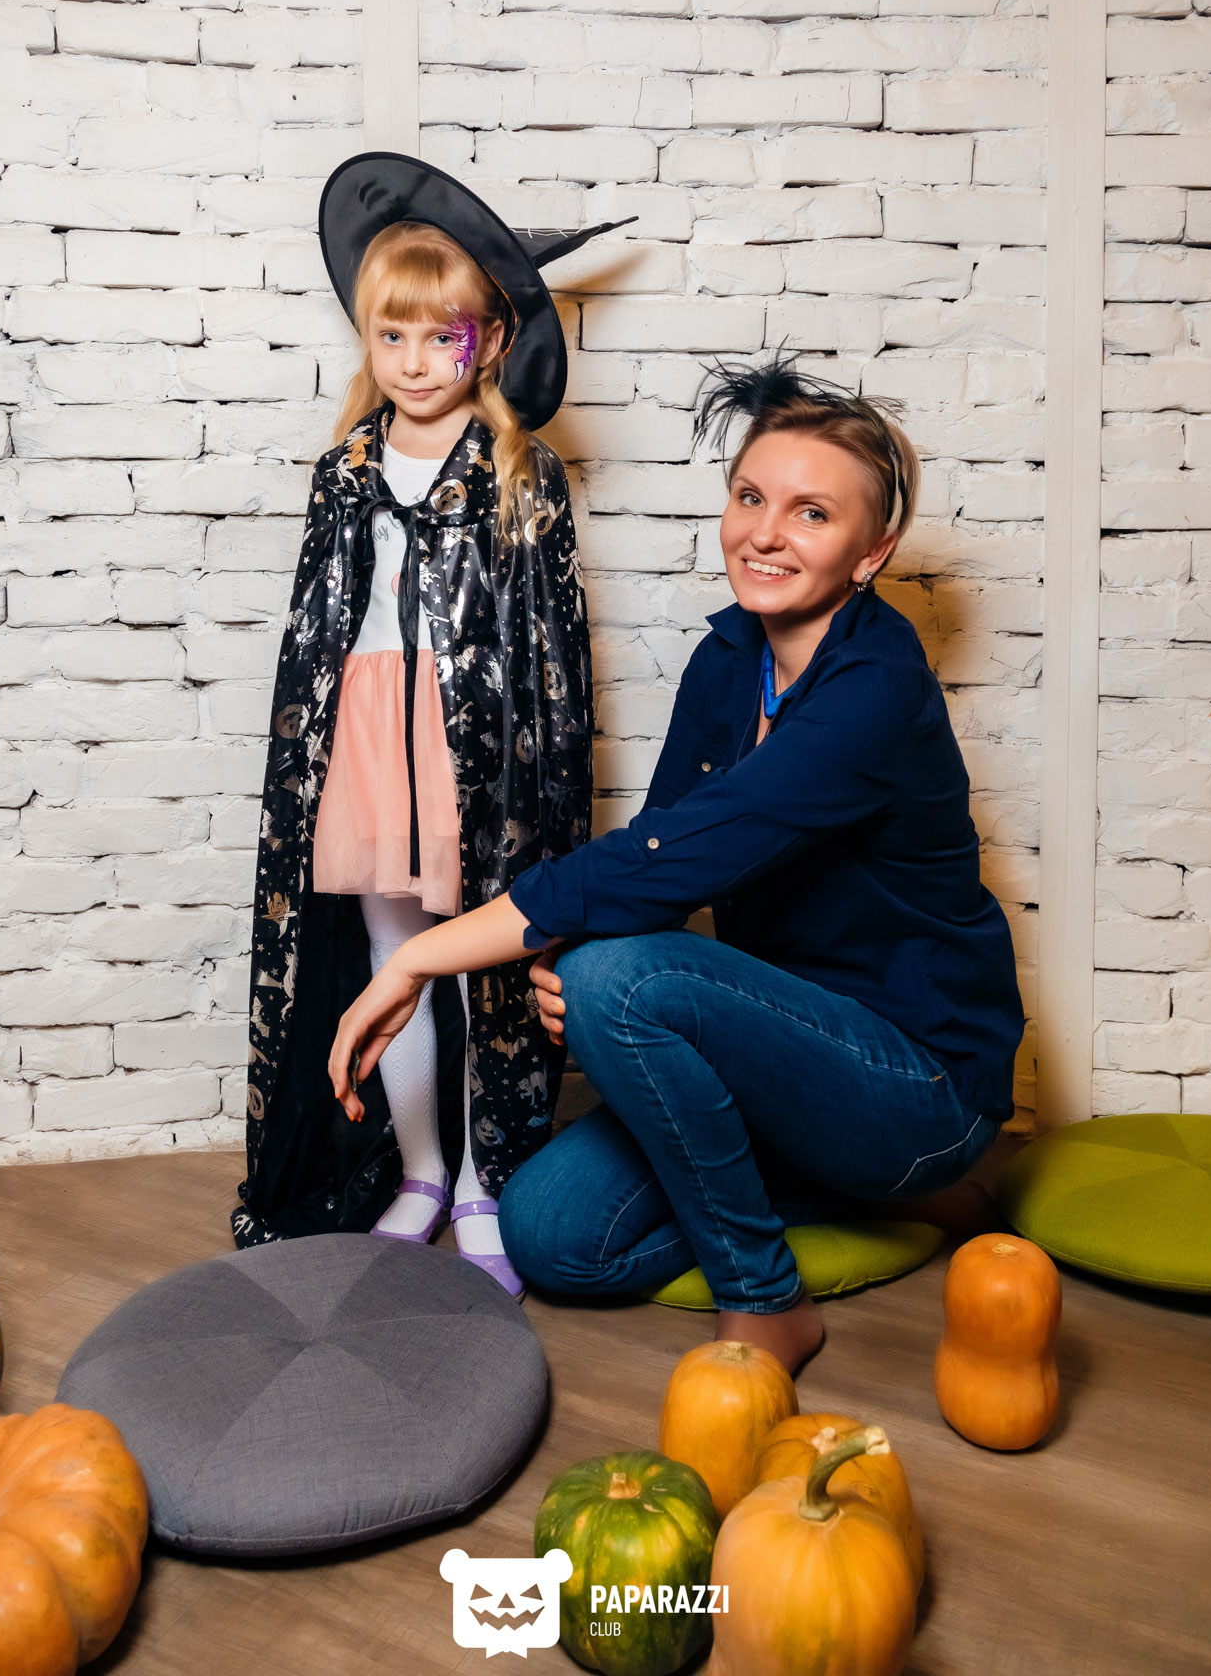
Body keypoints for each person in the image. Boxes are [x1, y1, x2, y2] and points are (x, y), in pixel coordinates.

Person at [326, 350, 1025, 1367]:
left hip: (916, 1083)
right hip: (775, 1060)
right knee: (550, 1235)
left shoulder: (875, 691)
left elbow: (661, 861)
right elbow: (656, 867)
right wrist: (571, 965)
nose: (765, 533)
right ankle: (879, 1193)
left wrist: (419, 959)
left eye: (811, 514)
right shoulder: (729, 658)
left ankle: (768, 1296)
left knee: (615, 974)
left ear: (871, 553)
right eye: (751, 497)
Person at [235, 153, 632, 1294]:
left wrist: (529, 771)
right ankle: (419, 1171)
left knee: (476, 963)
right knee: (392, 954)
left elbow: (552, 651)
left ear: (488, 344)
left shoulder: (519, 469)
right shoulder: (345, 470)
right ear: (367, 342)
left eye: (440, 338)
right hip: (368, 724)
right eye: (391, 337)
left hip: (477, 742)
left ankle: (485, 1183)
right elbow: (315, 629)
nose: (414, 362)